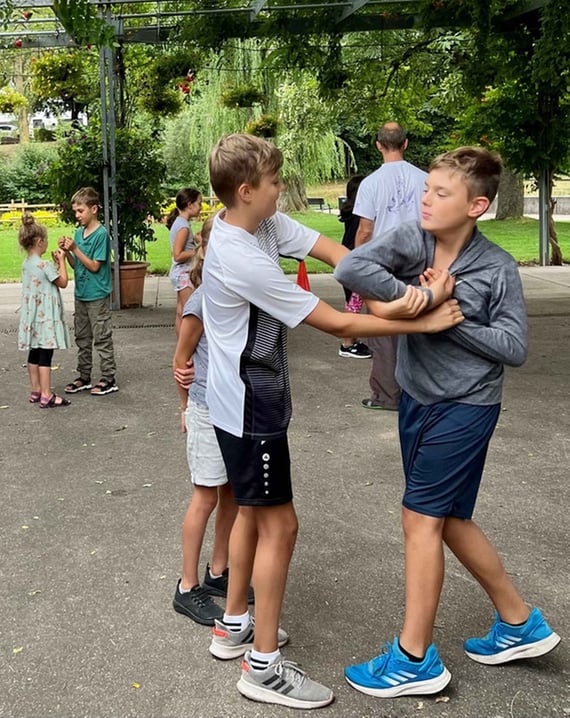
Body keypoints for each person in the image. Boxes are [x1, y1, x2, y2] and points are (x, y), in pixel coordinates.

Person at [201, 133, 464, 710]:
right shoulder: (238, 254)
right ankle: (263, 668)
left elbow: (338, 254)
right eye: (274, 183)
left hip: (242, 396)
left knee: (251, 509)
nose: (282, 190)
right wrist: (420, 322)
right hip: (250, 402)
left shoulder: (258, 223)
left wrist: (396, 294)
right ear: (247, 191)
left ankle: (232, 623)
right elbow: (337, 325)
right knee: (281, 526)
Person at [334, 146, 561, 699]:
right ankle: (518, 622)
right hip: (416, 397)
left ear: (477, 205)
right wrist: (420, 298)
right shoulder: (413, 240)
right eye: (427, 189)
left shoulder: (497, 267)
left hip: (467, 405)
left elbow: (514, 347)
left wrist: (446, 323)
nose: (427, 199)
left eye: (442, 193)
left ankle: (414, 659)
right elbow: (351, 267)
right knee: (450, 518)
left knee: (419, 520)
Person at [172, 215, 253, 626]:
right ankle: (187, 587)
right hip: (206, 407)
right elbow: (181, 360)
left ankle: (218, 571)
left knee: (233, 497)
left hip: (233, 409)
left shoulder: (236, 293)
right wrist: (185, 407)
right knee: (204, 497)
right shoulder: (201, 301)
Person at [354, 122, 427, 411]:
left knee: (383, 332)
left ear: (378, 145)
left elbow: (365, 230)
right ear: (406, 143)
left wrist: (359, 264)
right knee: (419, 325)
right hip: (418, 259)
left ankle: (387, 395)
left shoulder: (371, 183)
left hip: (384, 264)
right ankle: (421, 391)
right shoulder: (425, 179)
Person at [59, 187, 118, 396]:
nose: (77, 215)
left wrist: (75, 249)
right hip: (81, 294)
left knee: (101, 337)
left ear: (94, 209)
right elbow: (78, 266)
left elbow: (94, 266)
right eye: (75, 211)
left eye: (80, 211)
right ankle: (84, 376)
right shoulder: (78, 233)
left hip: (97, 296)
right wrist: (66, 254)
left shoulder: (101, 234)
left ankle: (108, 378)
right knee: (82, 337)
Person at [18, 213, 71, 408]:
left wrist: (55, 266)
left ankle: (36, 390)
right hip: (46, 319)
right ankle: (47, 394)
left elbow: (45, 280)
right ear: (40, 241)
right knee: (45, 356)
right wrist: (62, 261)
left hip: (32, 317)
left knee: (34, 352)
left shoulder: (27, 264)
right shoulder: (44, 264)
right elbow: (63, 282)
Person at [337, 174, 372, 359]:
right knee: (354, 303)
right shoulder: (360, 214)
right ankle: (347, 343)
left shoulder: (349, 211)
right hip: (354, 258)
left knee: (352, 301)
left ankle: (351, 341)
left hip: (346, 257)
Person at [166, 187, 203, 336]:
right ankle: (186, 349)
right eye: (199, 203)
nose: (200, 207)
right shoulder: (183, 226)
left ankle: (181, 347)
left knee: (181, 311)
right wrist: (199, 247)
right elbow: (177, 255)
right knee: (189, 312)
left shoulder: (180, 223)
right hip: (184, 274)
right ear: (190, 204)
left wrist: (194, 241)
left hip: (179, 274)